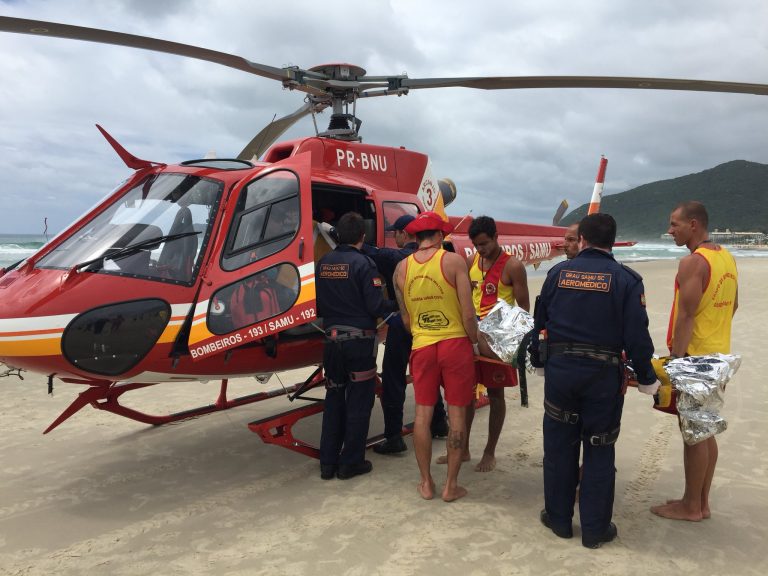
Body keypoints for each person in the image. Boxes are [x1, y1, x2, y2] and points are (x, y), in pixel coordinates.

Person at [530, 213, 658, 548]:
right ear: (612, 242)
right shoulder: (627, 280)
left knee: (559, 447)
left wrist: (537, 362)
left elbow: (539, 322)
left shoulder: (558, 273)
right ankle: (595, 530)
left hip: (560, 373)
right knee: (599, 448)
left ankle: (558, 520)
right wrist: (647, 378)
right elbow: (637, 337)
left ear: (582, 239)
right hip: (602, 378)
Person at [650, 201, 738, 522]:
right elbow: (734, 305)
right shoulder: (725, 258)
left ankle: (690, 507)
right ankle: (700, 502)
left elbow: (686, 316)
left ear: (694, 224)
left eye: (675, 225)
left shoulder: (693, 262)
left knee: (693, 433)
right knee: (705, 430)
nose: (670, 230)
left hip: (695, 358)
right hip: (719, 355)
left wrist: (676, 362)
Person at [393, 211, 478, 501]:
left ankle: (426, 483)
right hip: (455, 344)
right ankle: (450, 486)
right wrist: (475, 340)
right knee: (456, 416)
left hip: (422, 345)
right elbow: (468, 313)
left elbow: (405, 318)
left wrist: (422, 329)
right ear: (440, 236)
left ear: (415, 237)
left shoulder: (401, 269)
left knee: (422, 415)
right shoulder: (453, 261)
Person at [436, 215, 529, 472]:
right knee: (465, 396)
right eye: (477, 245)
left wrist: (508, 341)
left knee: (496, 395)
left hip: (497, 338)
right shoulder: (471, 262)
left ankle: (490, 452)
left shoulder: (513, 266)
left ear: (497, 237)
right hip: (473, 336)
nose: (481, 249)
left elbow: (524, 310)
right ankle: (463, 449)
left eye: (485, 244)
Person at [315, 212, 399, 480]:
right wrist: (396, 305)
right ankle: (351, 462)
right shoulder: (365, 264)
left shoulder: (324, 262)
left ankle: (327, 463)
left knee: (334, 398)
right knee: (359, 403)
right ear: (363, 237)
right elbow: (375, 306)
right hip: (359, 344)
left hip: (331, 342)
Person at [366, 215, 449, 455]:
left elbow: (364, 249)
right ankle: (439, 421)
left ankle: (393, 436)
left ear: (406, 233)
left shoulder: (393, 257)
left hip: (403, 325)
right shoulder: (438, 257)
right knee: (428, 373)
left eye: (396, 233)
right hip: (430, 324)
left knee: (393, 378)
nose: (394, 237)